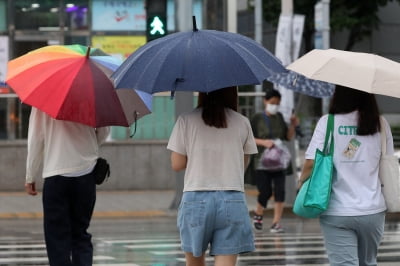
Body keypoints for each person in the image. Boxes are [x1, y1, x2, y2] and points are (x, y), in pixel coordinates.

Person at [298, 85, 390, 266]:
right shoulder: (380, 123)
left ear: (338, 95)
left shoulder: (328, 122)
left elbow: (311, 163)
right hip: (373, 210)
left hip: (337, 209)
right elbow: (385, 164)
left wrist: (302, 182)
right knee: (368, 263)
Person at [167, 86, 258, 266]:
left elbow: (177, 164)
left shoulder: (186, 120)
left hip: (195, 198)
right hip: (233, 198)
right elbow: (243, 163)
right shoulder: (242, 122)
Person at [24, 107, 110, 266]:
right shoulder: (91, 95)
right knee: (81, 234)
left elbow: (36, 139)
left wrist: (30, 175)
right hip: (85, 172)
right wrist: (88, 145)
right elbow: (104, 131)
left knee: (57, 238)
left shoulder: (43, 101)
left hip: (56, 173)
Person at [250, 89, 299, 232]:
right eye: (272, 103)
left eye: (277, 103)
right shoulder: (257, 118)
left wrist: (293, 125)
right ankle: (258, 213)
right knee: (264, 191)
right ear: (265, 101)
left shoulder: (279, 118)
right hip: (262, 161)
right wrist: (263, 142)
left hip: (279, 161)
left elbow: (287, 137)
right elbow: (248, 138)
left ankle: (276, 222)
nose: (275, 106)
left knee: (280, 191)